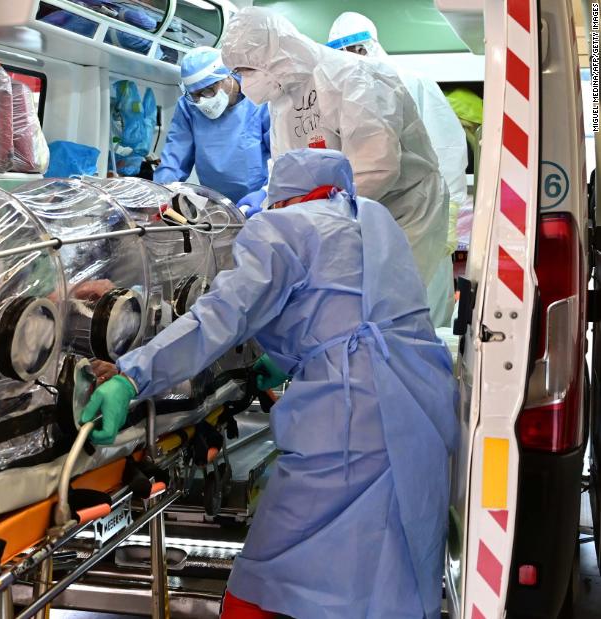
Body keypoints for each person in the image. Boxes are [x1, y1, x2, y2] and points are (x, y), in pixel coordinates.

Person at [82, 149, 459, 618]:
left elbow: (219, 317)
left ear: (279, 198)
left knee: (271, 575)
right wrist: (285, 361)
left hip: (353, 421)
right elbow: (350, 309)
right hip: (422, 402)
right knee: (388, 566)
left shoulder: (282, 227)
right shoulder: (373, 218)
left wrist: (132, 375)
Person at [220, 7, 453, 326]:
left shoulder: (351, 76)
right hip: (345, 219)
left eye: (246, 70)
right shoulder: (283, 97)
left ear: (272, 56)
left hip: (402, 215)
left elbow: (376, 168)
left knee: (394, 318)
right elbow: (289, 166)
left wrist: (310, 214)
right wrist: (269, 202)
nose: (244, 82)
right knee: (349, 317)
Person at [327, 11, 469, 327]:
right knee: (382, 313)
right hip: (371, 219)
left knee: (426, 305)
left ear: (372, 46)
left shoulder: (414, 83)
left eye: (357, 49)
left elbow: (448, 147)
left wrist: (450, 211)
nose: (352, 59)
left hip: (423, 214)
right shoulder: (337, 96)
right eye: (341, 53)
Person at [153, 46, 271, 205]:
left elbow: (282, 159)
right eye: (194, 95)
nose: (202, 102)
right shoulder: (189, 107)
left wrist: (267, 193)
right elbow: (174, 156)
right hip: (215, 203)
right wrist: (161, 192)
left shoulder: (259, 100)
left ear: (227, 76)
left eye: (207, 91)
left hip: (258, 201)